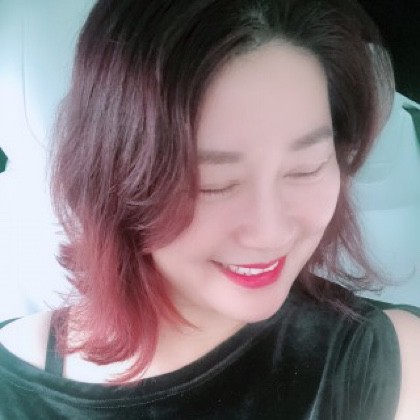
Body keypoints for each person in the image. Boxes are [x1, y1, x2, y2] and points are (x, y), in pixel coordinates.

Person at [1, 0, 419, 418]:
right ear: (116, 180)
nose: (270, 233)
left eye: (306, 169)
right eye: (213, 185)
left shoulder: (389, 365)